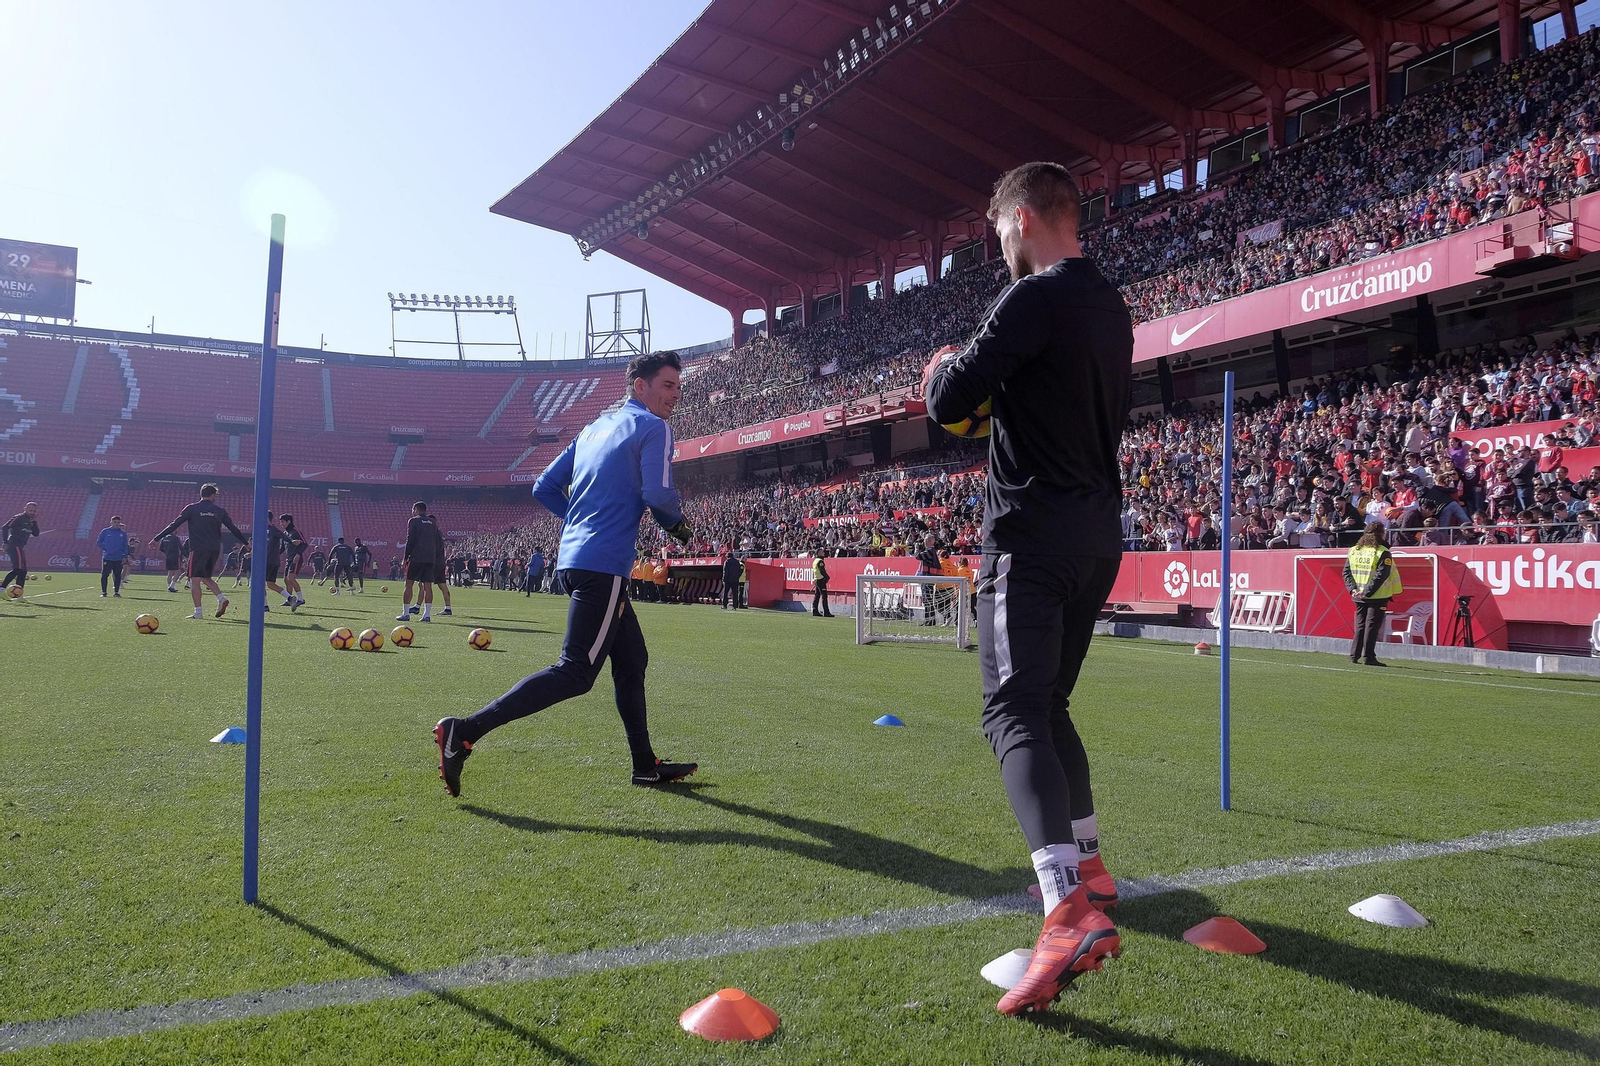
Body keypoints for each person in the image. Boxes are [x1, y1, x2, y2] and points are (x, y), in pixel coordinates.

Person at [925, 162, 1127, 1017]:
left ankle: (1066, 909)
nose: (998, 245)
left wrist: (939, 370)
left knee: (1012, 713)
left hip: (1030, 536)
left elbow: (951, 399)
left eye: (997, 229)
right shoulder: (1111, 304)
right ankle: (1091, 867)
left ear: (1021, 218)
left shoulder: (1031, 297)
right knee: (1050, 708)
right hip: (1096, 534)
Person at [432, 351, 698, 798]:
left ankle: (644, 764)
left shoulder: (592, 429)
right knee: (575, 673)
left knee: (631, 660)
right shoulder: (653, 427)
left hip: (576, 559)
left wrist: (580, 520)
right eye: (668, 385)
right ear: (640, 386)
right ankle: (465, 731)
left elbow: (544, 487)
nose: (676, 394)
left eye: (678, 386)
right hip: (603, 565)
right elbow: (657, 493)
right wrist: (678, 525)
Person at [150, 483, 250, 619]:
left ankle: (198, 612)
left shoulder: (192, 508)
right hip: (214, 549)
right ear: (213, 495)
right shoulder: (220, 510)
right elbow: (233, 528)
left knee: (195, 579)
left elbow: (174, 524)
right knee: (205, 577)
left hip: (198, 549)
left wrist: (156, 539)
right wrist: (246, 543)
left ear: (201, 494)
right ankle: (221, 599)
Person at [1343, 522, 1401, 667]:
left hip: (1358, 596)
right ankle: (1369, 657)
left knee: (1360, 626)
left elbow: (1346, 573)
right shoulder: (1382, 552)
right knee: (1372, 627)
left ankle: (1354, 655)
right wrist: (1367, 591)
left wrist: (1353, 589)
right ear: (1381, 534)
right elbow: (1381, 575)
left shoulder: (1354, 550)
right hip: (1377, 596)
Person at [398, 503, 437, 622]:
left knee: (409, 584)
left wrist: (405, 557)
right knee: (427, 586)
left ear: (416, 509)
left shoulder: (413, 521)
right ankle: (426, 615)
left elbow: (410, 539)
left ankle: (406, 613)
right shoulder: (432, 522)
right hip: (430, 558)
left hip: (416, 557)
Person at [2, 502, 41, 595]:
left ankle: (18, 595)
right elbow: (5, 527)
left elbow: (36, 534)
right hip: (14, 545)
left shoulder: (31, 521)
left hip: (20, 546)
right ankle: (1, 589)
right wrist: (5, 542)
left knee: (23, 571)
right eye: (30, 510)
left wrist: (34, 522)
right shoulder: (19, 518)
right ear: (25, 509)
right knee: (18, 569)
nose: (32, 512)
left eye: (34, 511)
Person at [97, 515, 130, 598]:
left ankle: (116, 592)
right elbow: (99, 542)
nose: (117, 524)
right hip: (107, 557)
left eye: (118, 522)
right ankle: (104, 592)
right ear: (111, 522)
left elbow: (125, 545)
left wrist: (124, 555)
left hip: (118, 558)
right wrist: (106, 548)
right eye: (115, 522)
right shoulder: (105, 531)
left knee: (117, 575)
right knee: (105, 575)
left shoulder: (123, 533)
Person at [279, 514, 307, 611]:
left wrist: (298, 554)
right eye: (280, 522)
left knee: (291, 578)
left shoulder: (296, 532)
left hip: (296, 558)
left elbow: (305, 544)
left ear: (289, 521)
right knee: (286, 580)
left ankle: (300, 599)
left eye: (283, 521)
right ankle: (289, 599)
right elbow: (282, 548)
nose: (281, 524)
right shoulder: (285, 534)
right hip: (289, 559)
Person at [811, 551, 833, 617]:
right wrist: (827, 577)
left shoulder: (815, 561)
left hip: (816, 579)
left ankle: (815, 610)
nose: (824, 553)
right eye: (822, 552)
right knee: (824, 596)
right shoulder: (820, 561)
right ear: (818, 553)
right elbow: (822, 571)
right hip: (821, 580)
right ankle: (826, 612)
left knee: (817, 595)